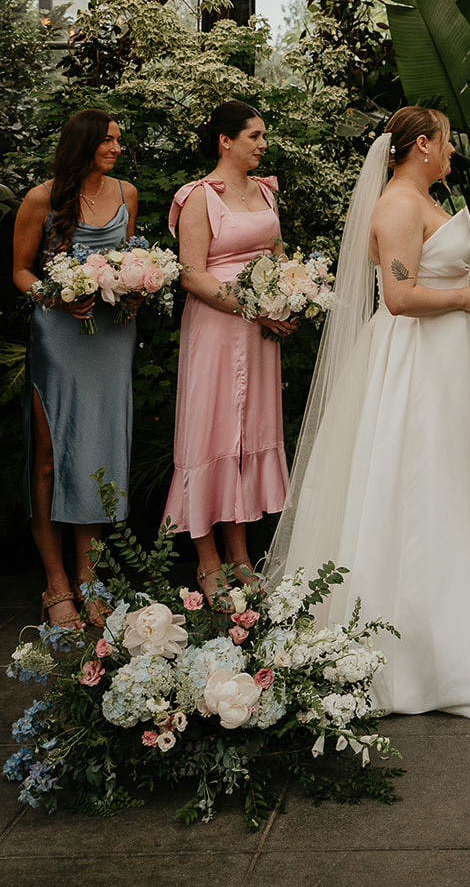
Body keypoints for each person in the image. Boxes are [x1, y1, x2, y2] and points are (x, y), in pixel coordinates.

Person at [267, 105, 470, 720]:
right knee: (423, 486)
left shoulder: (422, 199)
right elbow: (400, 297)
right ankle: (419, 656)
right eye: (447, 141)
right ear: (423, 145)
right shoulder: (399, 207)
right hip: (419, 362)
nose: (453, 151)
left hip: (454, 359)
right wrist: (467, 296)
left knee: (462, 485)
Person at [162, 100, 295, 602]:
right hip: (217, 328)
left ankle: (240, 554)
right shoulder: (199, 196)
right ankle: (207, 560)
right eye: (254, 136)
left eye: (263, 135)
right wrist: (253, 308)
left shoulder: (265, 191)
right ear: (226, 141)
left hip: (260, 334)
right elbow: (191, 274)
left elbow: (277, 254)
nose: (263, 144)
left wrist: (293, 293)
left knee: (246, 434)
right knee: (210, 432)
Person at [13, 109, 139, 629]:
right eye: (107, 140)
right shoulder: (40, 198)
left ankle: (89, 581)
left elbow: (130, 261)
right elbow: (20, 271)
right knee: (49, 459)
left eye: (118, 140)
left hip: (111, 338)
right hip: (59, 337)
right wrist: (55, 297)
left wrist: (136, 290)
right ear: (83, 144)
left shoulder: (127, 193)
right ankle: (56, 582)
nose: (116, 148)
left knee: (96, 457)